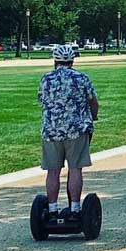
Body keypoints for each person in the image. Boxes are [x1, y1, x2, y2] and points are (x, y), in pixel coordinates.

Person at [38, 44, 99, 222]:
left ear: (55, 60)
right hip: (76, 130)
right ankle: (75, 209)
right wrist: (93, 117)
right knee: (75, 169)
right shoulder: (81, 78)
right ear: (72, 60)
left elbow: (42, 101)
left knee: (53, 171)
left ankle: (52, 209)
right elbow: (93, 102)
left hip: (51, 132)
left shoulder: (46, 79)